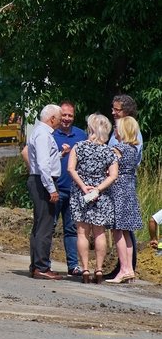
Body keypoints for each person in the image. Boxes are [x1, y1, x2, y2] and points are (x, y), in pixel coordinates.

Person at [67, 113, 118, 284]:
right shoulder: (109, 151)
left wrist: (83, 186)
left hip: (81, 193)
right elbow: (113, 175)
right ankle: (99, 269)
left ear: (90, 128)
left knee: (82, 232)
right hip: (100, 195)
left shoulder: (78, 147)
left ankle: (85, 269)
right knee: (99, 233)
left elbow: (71, 169)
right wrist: (98, 188)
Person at [106, 94, 142, 279]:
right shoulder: (132, 147)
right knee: (125, 229)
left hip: (119, 189)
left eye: (117, 109)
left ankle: (125, 268)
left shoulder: (120, 148)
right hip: (127, 187)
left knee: (119, 229)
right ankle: (127, 269)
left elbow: (108, 164)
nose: (113, 112)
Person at [25, 104, 63, 280]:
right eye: (60, 118)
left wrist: (60, 155)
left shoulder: (41, 133)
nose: (61, 121)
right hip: (42, 182)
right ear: (52, 118)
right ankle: (41, 266)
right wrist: (51, 188)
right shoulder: (43, 134)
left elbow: (46, 160)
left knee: (40, 224)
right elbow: (43, 164)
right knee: (45, 226)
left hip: (40, 180)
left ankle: (37, 265)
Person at [52, 100, 87, 276]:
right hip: (55, 189)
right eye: (64, 115)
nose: (66, 118)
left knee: (72, 229)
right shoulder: (51, 133)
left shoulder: (81, 135)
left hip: (74, 190)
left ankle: (73, 265)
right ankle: (43, 264)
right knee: (49, 227)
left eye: (70, 115)